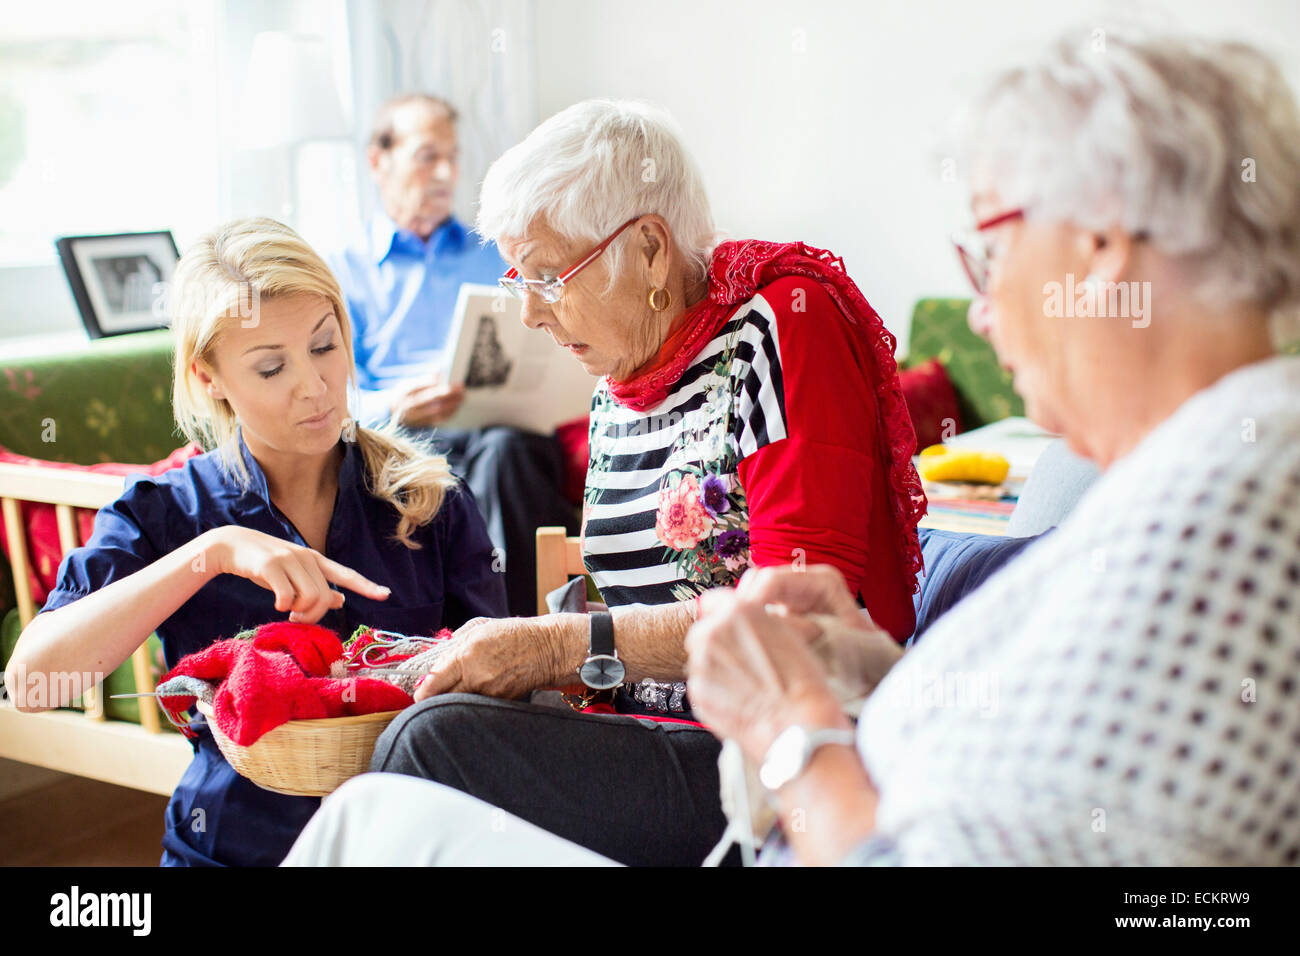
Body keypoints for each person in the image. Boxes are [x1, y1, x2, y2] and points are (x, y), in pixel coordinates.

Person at [285, 25, 1300, 867]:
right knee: (391, 786)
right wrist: (853, 663)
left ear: (1099, 242)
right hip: (766, 775)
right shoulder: (1171, 484)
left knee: (397, 790)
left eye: (988, 251)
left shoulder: (1231, 505)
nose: (981, 311)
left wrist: (790, 724)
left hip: (764, 792)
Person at [302, 98, 926, 867]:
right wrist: (554, 664)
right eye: (516, 278)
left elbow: (795, 614)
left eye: (546, 276)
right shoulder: (618, 381)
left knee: (431, 746)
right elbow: (630, 614)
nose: (527, 312)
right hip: (654, 730)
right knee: (430, 711)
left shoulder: (781, 324)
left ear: (652, 250)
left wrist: (556, 645)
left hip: (767, 754)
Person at [3, 217, 506, 866]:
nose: (314, 385)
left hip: (409, 843)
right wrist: (209, 553)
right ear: (208, 377)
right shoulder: (165, 513)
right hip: (229, 848)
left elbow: (500, 694)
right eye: (271, 367)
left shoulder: (429, 499)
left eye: (325, 346)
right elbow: (32, 685)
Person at [332, 93, 578, 615]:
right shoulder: (342, 269)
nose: (445, 172)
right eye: (427, 156)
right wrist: (393, 405)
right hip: (399, 436)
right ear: (378, 161)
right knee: (408, 469)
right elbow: (331, 395)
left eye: (453, 156)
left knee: (510, 452)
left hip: (495, 431)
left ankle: (528, 637)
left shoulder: (492, 251)